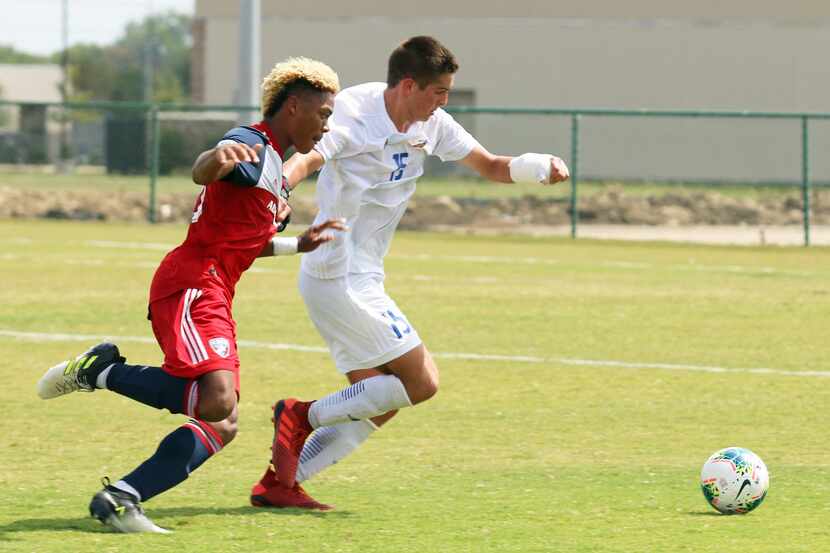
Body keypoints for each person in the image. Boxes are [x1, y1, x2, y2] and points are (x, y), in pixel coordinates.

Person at [250, 36, 570, 509]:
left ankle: (280, 483)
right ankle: (299, 415)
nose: (444, 102)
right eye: (438, 92)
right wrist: (277, 190)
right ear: (407, 85)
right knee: (422, 383)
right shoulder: (354, 112)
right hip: (338, 274)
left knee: (380, 402)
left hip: (362, 276)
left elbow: (490, 165)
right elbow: (309, 157)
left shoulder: (432, 123)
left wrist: (538, 167)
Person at [36, 57, 345, 532]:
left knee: (222, 422)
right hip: (191, 285)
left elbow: (241, 242)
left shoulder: (275, 171)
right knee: (218, 402)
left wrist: (294, 245)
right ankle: (102, 373)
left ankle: (122, 496)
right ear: (295, 106)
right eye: (323, 114)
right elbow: (209, 165)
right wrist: (214, 161)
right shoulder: (251, 143)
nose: (326, 125)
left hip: (214, 290)